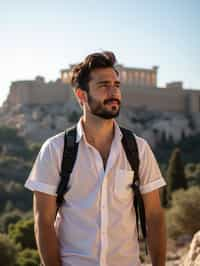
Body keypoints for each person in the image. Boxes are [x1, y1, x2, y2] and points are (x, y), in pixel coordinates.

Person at [25, 51, 167, 266]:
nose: (114, 92)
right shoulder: (55, 150)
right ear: (81, 95)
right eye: (103, 86)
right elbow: (43, 222)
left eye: (116, 85)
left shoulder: (138, 149)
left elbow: (155, 216)